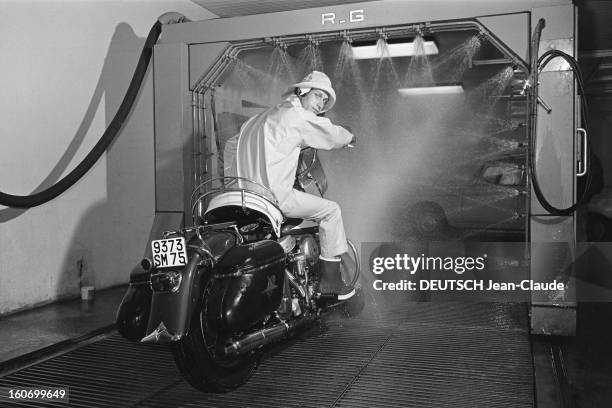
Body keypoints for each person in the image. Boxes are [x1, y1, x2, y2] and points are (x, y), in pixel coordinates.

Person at [224, 71, 355, 294]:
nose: (321, 103)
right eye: (318, 96)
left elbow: (230, 145)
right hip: (275, 199)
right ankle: (330, 281)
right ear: (302, 91)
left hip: (244, 199)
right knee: (331, 211)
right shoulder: (297, 116)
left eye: (324, 100)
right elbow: (330, 134)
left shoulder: (258, 120)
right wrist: (350, 137)